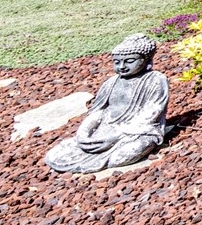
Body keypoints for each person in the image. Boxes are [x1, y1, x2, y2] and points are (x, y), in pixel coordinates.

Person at [45, 33, 169, 173]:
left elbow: (152, 112)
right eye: (117, 62)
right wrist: (83, 133)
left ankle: (103, 158)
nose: (122, 66)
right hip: (104, 130)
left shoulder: (155, 79)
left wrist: (118, 135)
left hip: (136, 131)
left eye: (129, 61)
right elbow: (98, 111)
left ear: (146, 60)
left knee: (122, 156)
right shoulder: (111, 83)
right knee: (55, 155)